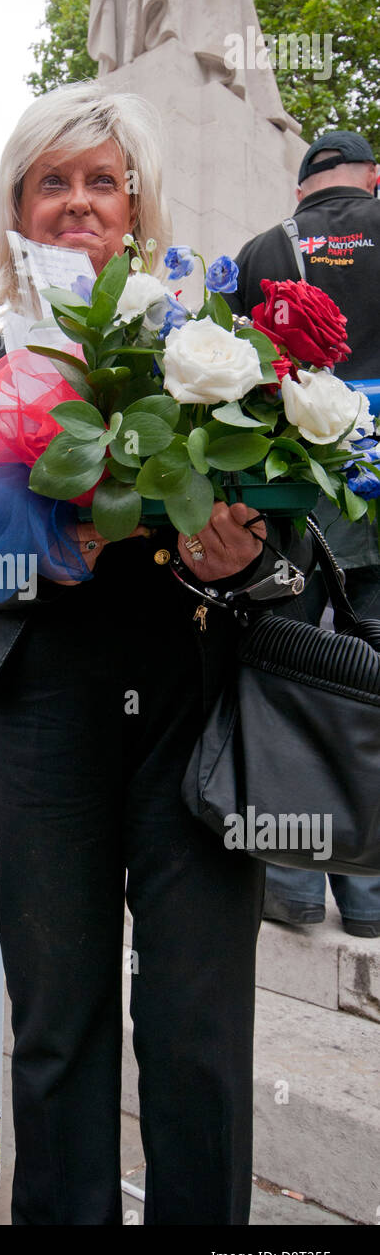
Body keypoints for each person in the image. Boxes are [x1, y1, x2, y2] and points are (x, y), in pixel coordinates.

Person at [0, 80, 315, 1226]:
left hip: (195, 720)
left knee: (195, 1025)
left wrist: (233, 561)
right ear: (17, 211)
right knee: (57, 1017)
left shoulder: (209, 351)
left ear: (139, 207)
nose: (79, 203)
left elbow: (288, 551)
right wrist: (58, 546)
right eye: (53, 183)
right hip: (43, 723)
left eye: (103, 181)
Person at [227, 129, 380, 938]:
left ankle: (288, 883)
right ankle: (370, 894)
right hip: (378, 506)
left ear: (300, 189)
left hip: (292, 502)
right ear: (372, 177)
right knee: (375, 678)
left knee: (286, 676)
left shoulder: (262, 249)